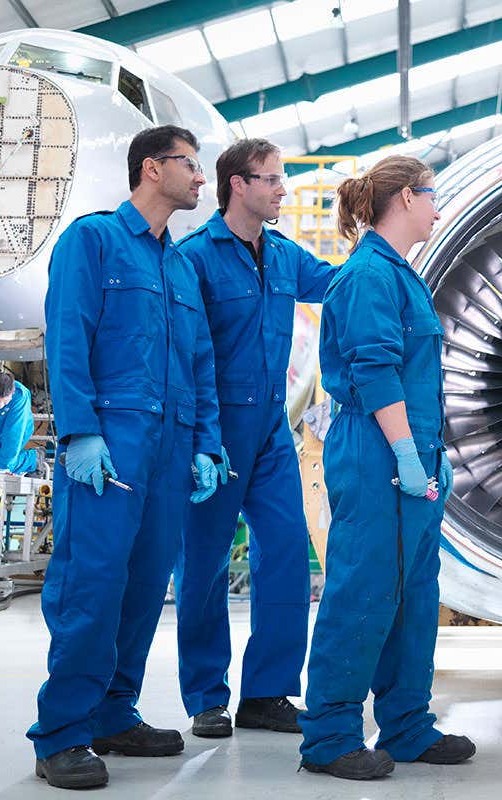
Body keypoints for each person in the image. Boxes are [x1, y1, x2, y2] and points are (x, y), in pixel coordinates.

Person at [27, 125, 225, 790]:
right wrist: (79, 430)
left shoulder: (179, 265)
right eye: (190, 167)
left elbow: (199, 363)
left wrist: (205, 445)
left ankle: (113, 712)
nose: (201, 180)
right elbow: (68, 335)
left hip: (169, 450)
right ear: (151, 168)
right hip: (111, 446)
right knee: (94, 584)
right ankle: (61, 732)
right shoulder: (94, 240)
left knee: (144, 588)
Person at [298, 155, 475, 780]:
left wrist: (428, 455)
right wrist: (403, 451)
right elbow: (375, 371)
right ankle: (329, 736)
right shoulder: (369, 275)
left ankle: (406, 725)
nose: (437, 207)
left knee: (413, 594)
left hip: (409, 447)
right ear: (403, 198)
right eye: (432, 196)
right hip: (377, 447)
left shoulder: (400, 274)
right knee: (363, 589)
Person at [174, 138, 336, 738]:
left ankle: (267, 692)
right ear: (237, 184)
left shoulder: (286, 256)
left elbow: (341, 285)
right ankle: (206, 696)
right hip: (214, 434)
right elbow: (185, 355)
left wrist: (386, 248)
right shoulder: (194, 258)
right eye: (271, 179)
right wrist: (200, 440)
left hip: (271, 431)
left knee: (289, 554)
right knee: (204, 567)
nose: (283, 189)